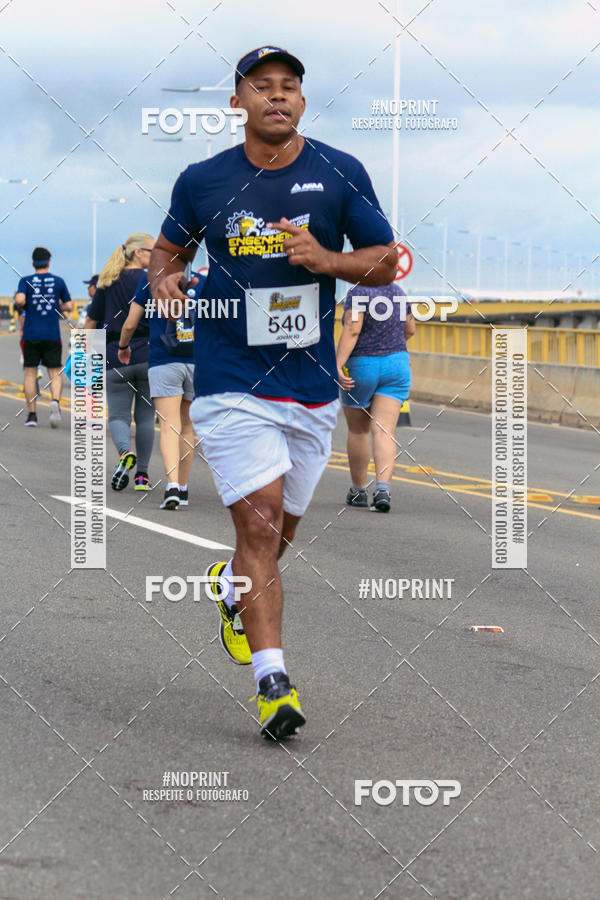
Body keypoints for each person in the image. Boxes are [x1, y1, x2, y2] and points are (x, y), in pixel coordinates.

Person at [148, 46, 397, 740]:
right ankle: (272, 683)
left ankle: (233, 593)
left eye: (290, 87)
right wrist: (163, 281)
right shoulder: (203, 180)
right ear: (239, 102)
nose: (277, 97)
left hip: (312, 387)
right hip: (230, 380)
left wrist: (328, 261)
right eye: (263, 87)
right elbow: (169, 251)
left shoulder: (341, 172)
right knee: (256, 526)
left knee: (278, 534)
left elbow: (385, 259)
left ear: (302, 103)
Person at [117, 270, 206, 510]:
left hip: (164, 359)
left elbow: (131, 322)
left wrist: (123, 346)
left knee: (169, 425)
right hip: (196, 360)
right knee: (187, 427)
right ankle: (184, 488)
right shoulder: (202, 281)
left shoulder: (151, 281)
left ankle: (172, 487)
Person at [84, 233, 155, 491]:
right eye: (152, 250)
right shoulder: (151, 279)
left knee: (118, 416)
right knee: (146, 419)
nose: (157, 255)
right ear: (138, 253)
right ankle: (142, 477)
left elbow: (91, 322)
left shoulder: (107, 281)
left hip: (115, 354)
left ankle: (125, 453)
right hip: (149, 353)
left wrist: (86, 353)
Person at [336, 282, 415, 512]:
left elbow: (352, 329)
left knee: (358, 430)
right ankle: (382, 489)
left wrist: (338, 364)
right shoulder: (398, 292)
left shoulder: (359, 292)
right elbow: (410, 329)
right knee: (384, 430)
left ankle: (359, 491)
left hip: (363, 364)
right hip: (397, 364)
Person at [14, 246, 72, 427]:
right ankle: (55, 401)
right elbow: (69, 306)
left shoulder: (26, 281)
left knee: (30, 372)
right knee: (54, 371)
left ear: (33, 263)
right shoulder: (58, 281)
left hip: (31, 334)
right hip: (52, 334)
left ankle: (32, 415)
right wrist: (57, 306)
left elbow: (19, 300)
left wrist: (27, 304)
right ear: (49, 263)